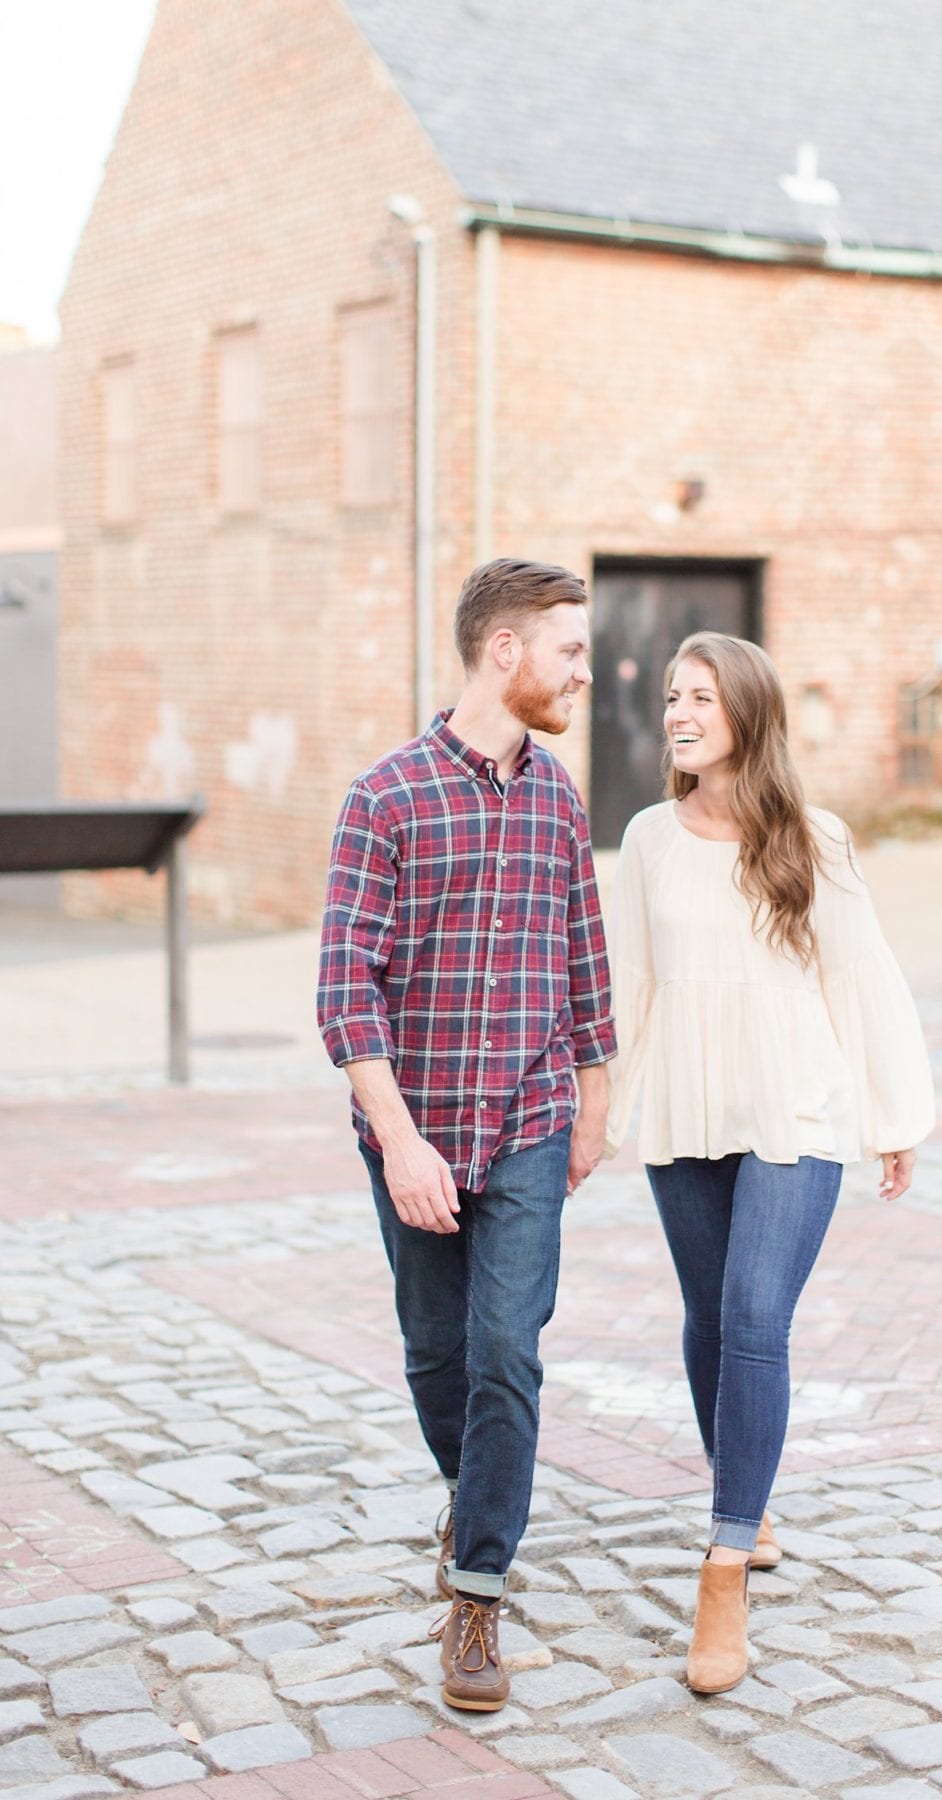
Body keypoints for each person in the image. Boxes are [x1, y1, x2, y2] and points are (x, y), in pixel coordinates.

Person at [605, 631, 935, 1695]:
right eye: (671, 696)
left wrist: (893, 1113)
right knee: (709, 1318)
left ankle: (724, 1563)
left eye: (700, 696)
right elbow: (634, 988)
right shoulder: (649, 837)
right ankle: (748, 1497)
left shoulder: (813, 837)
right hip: (688, 1105)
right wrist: (599, 1113)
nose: (679, 713)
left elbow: (862, 978)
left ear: (748, 712)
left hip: (798, 1105)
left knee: (754, 1316)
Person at [317, 558, 615, 1713]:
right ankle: (473, 1484)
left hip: (532, 1119)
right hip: (416, 1129)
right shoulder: (383, 798)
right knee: (438, 1352)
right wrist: (399, 1141)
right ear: (507, 652)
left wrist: (592, 1108)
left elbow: (585, 961)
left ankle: (478, 1589)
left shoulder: (561, 800)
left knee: (507, 1348)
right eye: (571, 651)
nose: (586, 672)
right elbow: (347, 992)